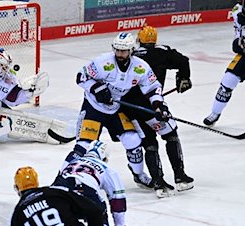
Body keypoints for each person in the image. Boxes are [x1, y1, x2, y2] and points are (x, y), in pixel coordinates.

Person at [64, 32, 167, 190]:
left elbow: (153, 88)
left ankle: (139, 175)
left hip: (116, 109)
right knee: (83, 146)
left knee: (133, 140)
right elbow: (81, 76)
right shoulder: (102, 62)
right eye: (117, 50)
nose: (120, 54)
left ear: (131, 50)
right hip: (94, 108)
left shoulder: (140, 67)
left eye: (124, 51)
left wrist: (159, 105)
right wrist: (96, 88)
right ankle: (62, 178)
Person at [120, 25, 194, 197]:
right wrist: (183, 78)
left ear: (138, 40)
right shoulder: (162, 52)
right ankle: (180, 176)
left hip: (131, 109)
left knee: (150, 144)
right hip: (154, 107)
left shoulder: (130, 55)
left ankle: (159, 182)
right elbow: (184, 61)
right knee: (171, 135)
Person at [53, 140, 129, 226]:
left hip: (60, 191)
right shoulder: (106, 168)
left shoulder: (73, 161)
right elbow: (118, 201)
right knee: (99, 214)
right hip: (85, 190)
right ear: (105, 158)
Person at [9, 166, 107, 226]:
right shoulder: (55, 192)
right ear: (36, 182)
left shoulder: (18, 214)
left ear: (17, 188)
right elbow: (94, 210)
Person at [203, 1, 245, 126]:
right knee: (228, 81)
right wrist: (237, 42)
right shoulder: (237, 10)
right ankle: (215, 113)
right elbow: (238, 34)